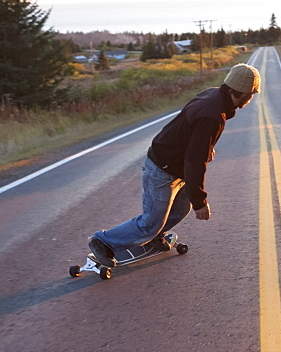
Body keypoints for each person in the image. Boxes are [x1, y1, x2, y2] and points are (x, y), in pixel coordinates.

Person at [88, 62, 261, 267]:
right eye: (252, 94)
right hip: (162, 168)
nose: (251, 98)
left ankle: (154, 237)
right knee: (150, 222)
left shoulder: (213, 96)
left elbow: (189, 128)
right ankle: (104, 241)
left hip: (174, 165)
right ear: (242, 93)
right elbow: (195, 162)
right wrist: (200, 202)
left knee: (180, 209)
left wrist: (205, 147)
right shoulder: (212, 115)